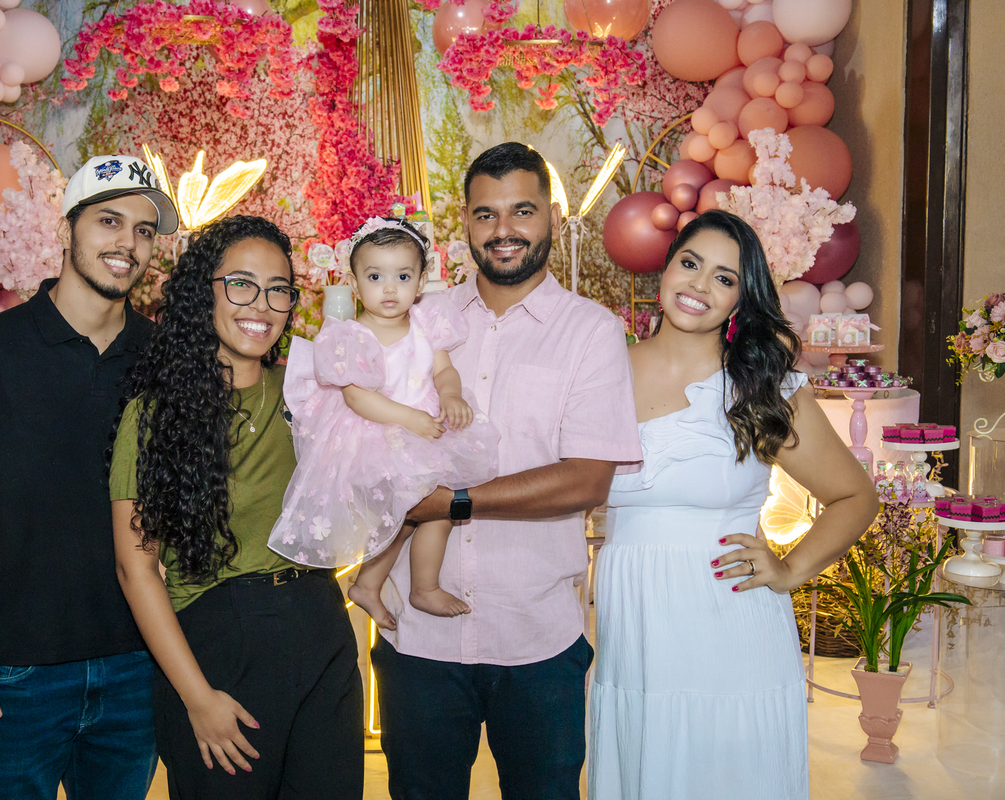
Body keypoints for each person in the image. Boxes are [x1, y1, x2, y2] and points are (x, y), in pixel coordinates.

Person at [371, 142, 645, 800]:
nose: (504, 229)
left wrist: (453, 501)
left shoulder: (591, 331)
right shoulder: (419, 321)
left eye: (522, 210)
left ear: (551, 215)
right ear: (464, 221)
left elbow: (587, 480)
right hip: (419, 642)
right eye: (486, 214)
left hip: (537, 641)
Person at [588, 209, 880, 799]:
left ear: (741, 299)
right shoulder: (601, 372)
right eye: (691, 263)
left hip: (731, 626)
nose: (699, 285)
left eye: (724, 278)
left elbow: (856, 497)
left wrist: (791, 568)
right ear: (666, 267)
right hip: (635, 630)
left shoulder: (761, 388)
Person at [0, 154, 179, 799]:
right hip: (10, 671)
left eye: (144, 230)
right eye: (109, 221)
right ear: (67, 229)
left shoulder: (163, 358)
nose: (128, 242)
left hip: (134, 667)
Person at [110, 215, 363, 799]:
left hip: (320, 626)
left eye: (278, 289)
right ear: (205, 292)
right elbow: (134, 568)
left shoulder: (309, 391)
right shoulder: (154, 414)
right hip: (218, 645)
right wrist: (196, 697)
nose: (262, 306)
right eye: (242, 284)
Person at [268, 216, 499, 625]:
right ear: (355, 284)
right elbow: (357, 397)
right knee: (404, 512)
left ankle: (403, 586)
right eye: (375, 277)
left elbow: (444, 370)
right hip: (375, 435)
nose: (389, 289)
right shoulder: (352, 335)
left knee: (441, 508)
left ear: (421, 281)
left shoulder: (426, 325)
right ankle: (389, 585)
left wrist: (451, 395)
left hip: (422, 431)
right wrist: (409, 418)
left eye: (402, 276)